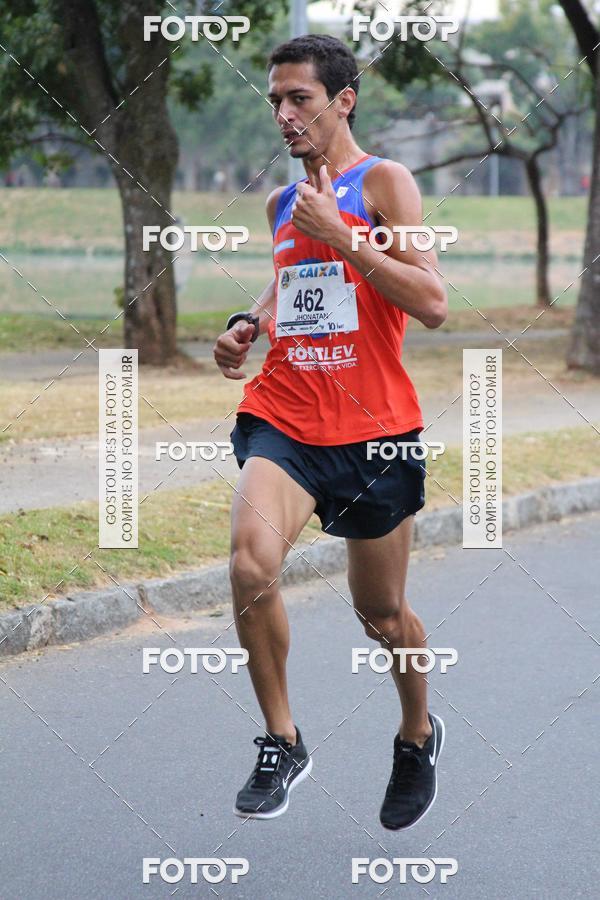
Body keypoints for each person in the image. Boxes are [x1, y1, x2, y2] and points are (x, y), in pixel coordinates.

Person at [213, 34, 448, 830]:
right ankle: (283, 739)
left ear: (343, 100)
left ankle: (417, 733)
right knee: (251, 564)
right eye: (274, 101)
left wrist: (346, 233)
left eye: (298, 99)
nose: (283, 114)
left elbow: (433, 301)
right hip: (286, 415)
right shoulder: (284, 204)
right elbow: (292, 287)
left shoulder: (384, 181)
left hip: (376, 430)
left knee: (381, 615)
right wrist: (250, 324)